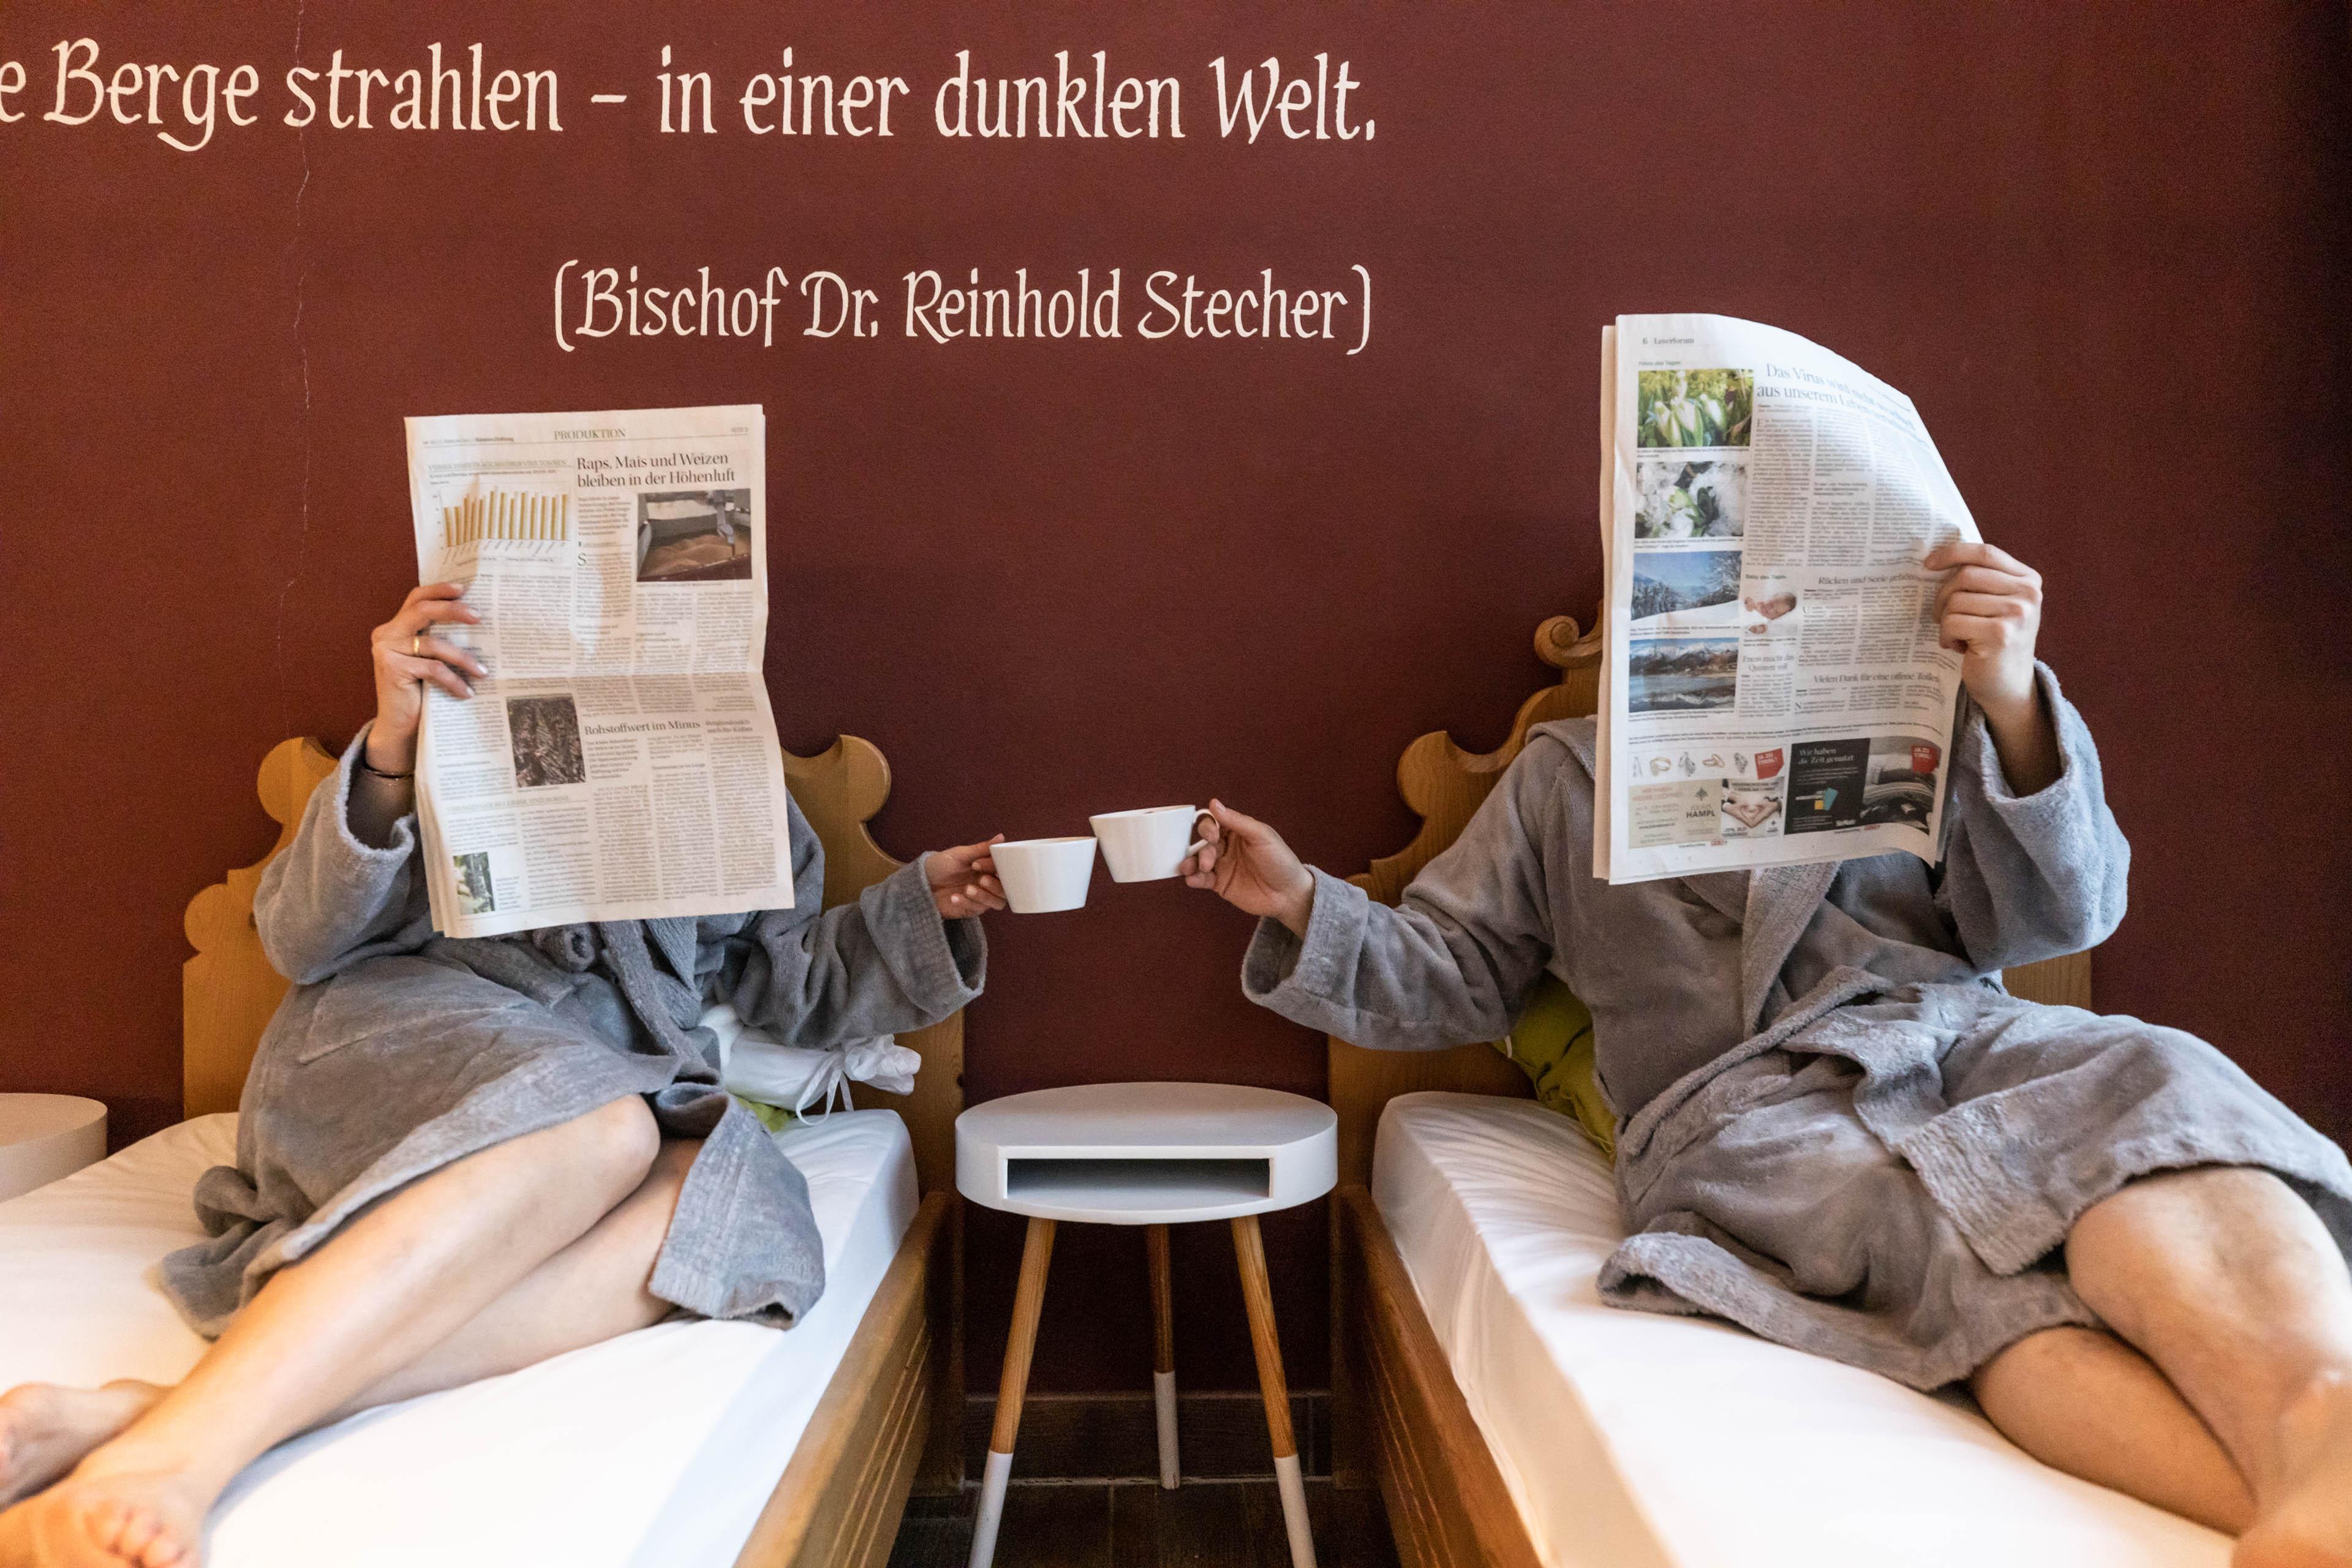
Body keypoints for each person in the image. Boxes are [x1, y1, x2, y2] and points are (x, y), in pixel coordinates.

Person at [1182, 542, 2352, 1566]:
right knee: (1948, 1255)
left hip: (1960, 1029)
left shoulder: (1917, 730)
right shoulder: (1563, 779)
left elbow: (2065, 915)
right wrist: (1297, 901)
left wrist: (2008, 702)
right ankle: (2301, 1487)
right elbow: (1456, 970)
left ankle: (2326, 1436)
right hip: (1743, 1109)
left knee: (2152, 1083)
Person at [0, 582, 1008, 1568]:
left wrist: (927, 903)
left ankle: (149, 1412)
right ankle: (174, 1463)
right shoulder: (445, 744)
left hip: (595, 1076)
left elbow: (793, 987)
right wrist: (392, 746)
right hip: (398, 1044)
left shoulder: (739, 792)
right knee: (608, 1130)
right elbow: (299, 941)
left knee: (717, 1205)